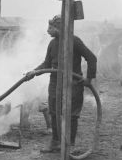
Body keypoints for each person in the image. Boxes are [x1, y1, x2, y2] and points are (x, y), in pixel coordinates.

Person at [26, 15, 97, 152]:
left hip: (73, 83)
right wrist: (34, 72)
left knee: (71, 114)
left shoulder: (74, 41)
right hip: (55, 82)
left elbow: (92, 59)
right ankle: (56, 143)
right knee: (54, 111)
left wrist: (89, 79)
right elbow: (47, 64)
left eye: (50, 27)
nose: (47, 30)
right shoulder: (52, 44)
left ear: (59, 28)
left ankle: (69, 145)